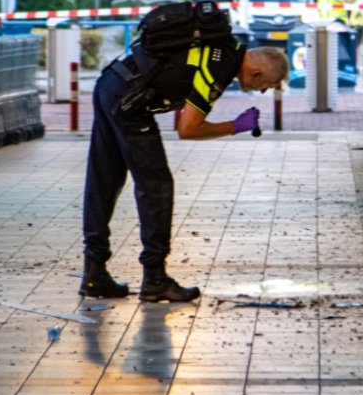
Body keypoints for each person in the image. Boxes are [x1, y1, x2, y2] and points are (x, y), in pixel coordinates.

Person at [80, 19, 289, 303]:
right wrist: (235, 126)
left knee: (105, 178)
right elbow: (188, 129)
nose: (263, 90)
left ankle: (94, 272)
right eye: (267, 84)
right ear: (255, 72)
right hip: (129, 103)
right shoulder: (220, 68)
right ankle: (155, 278)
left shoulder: (220, 48)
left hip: (110, 84)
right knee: (157, 187)